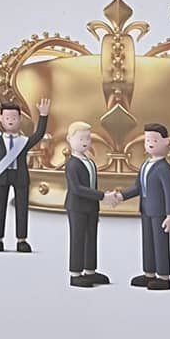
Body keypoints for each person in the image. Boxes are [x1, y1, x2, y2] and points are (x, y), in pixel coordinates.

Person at [104, 122, 170, 290]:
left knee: (160, 243)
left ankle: (163, 276)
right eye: (147, 140)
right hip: (145, 209)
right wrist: (121, 196)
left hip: (159, 212)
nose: (150, 143)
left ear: (166, 142)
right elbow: (138, 187)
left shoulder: (163, 168)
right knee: (148, 242)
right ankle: (149, 273)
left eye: (155, 140)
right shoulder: (145, 165)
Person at [0, 92, 50, 254]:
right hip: (1, 177)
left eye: (14, 117)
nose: (10, 120)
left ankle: (21, 239)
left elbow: (38, 135)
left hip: (20, 177)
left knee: (22, 209)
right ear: (0, 119)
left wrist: (43, 116)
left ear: (20, 119)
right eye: (7, 117)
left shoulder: (24, 142)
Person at [63, 120, 109, 288]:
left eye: (88, 138)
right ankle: (75, 273)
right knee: (78, 239)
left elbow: (92, 184)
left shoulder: (89, 161)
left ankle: (90, 270)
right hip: (77, 207)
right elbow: (76, 188)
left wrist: (98, 201)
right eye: (81, 138)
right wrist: (103, 196)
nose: (85, 142)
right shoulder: (72, 164)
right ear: (69, 139)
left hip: (91, 207)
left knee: (91, 238)